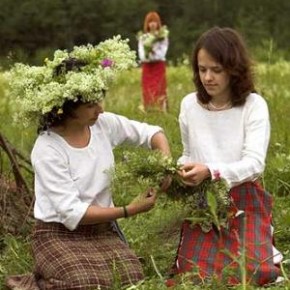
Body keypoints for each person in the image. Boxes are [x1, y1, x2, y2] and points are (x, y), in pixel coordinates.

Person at [5, 37, 171, 290]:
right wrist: (129, 210)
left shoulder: (104, 125)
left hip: (102, 230)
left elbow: (152, 133)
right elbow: (72, 212)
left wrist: (165, 164)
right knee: (82, 282)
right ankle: (33, 284)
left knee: (132, 278)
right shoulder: (48, 148)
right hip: (57, 233)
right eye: (91, 104)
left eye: (99, 100)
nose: (101, 109)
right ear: (69, 107)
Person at [167, 27, 283, 286]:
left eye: (216, 70)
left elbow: (254, 164)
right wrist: (179, 170)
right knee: (194, 273)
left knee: (254, 271)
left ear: (234, 69)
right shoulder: (189, 104)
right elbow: (188, 153)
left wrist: (210, 170)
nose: (208, 77)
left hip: (244, 198)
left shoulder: (253, 106)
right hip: (202, 201)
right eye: (202, 69)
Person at [137, 11, 169, 112]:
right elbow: (141, 53)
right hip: (147, 66)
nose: (152, 24)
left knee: (159, 87)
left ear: (158, 23)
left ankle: (161, 109)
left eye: (155, 21)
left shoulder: (162, 37)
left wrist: (153, 53)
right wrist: (148, 56)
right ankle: (148, 109)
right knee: (147, 87)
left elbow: (162, 52)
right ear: (147, 24)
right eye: (150, 22)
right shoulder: (143, 37)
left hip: (158, 65)